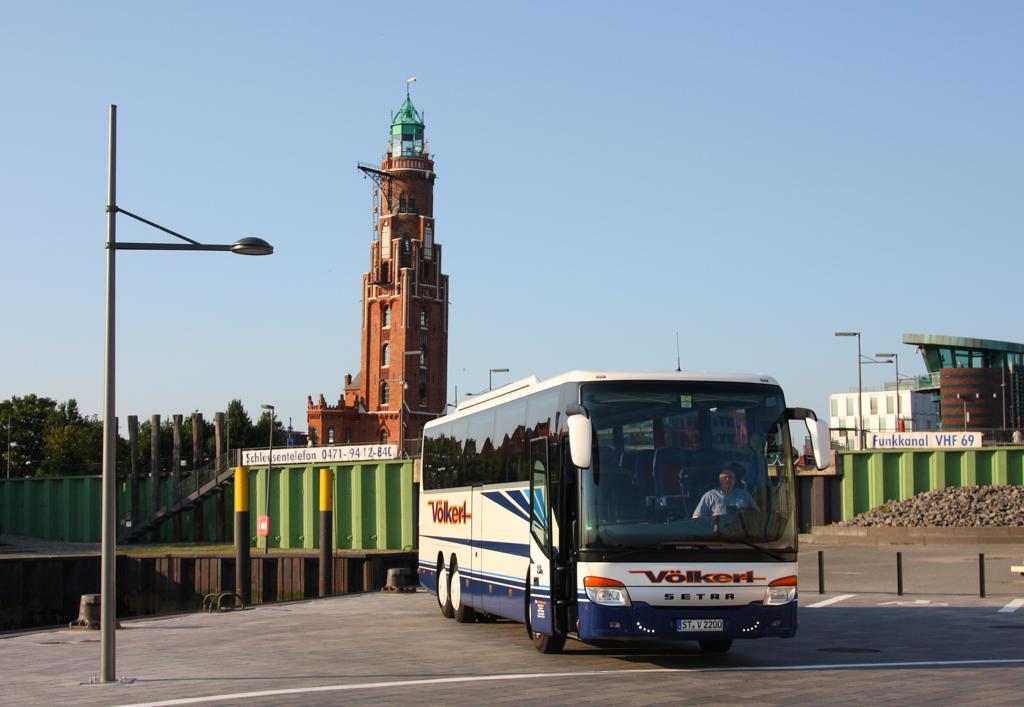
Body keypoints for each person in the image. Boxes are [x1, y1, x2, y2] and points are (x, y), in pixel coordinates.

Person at [692, 465, 758, 519]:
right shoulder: (710, 496)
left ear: (735, 479)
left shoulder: (745, 494)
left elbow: (757, 514)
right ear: (720, 480)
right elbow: (696, 518)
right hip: (718, 532)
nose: (728, 479)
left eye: (730, 477)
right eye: (724, 477)